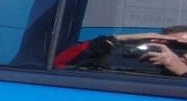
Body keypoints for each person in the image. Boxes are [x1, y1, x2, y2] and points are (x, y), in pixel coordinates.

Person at [53, 26, 187, 76]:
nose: (172, 54)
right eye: (173, 46)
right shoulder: (127, 61)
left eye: (183, 48)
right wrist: (122, 39)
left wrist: (183, 72)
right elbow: (57, 64)